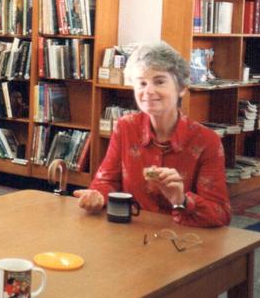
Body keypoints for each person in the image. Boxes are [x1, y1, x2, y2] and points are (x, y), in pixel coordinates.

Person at [73, 42, 231, 227]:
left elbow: (220, 214)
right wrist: (98, 195)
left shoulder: (206, 141)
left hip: (183, 240)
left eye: (159, 81)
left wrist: (181, 200)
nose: (148, 91)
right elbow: (107, 181)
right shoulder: (125, 127)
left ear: (181, 88)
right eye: (141, 83)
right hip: (131, 235)